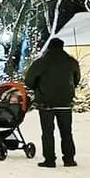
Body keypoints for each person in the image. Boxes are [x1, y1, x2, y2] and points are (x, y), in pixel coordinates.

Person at [25, 37, 81, 168]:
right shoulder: (71, 62)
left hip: (46, 103)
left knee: (47, 132)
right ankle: (69, 159)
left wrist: (38, 88)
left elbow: (29, 81)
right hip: (65, 103)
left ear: (49, 47)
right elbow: (76, 79)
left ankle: (49, 160)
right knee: (66, 132)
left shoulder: (41, 62)